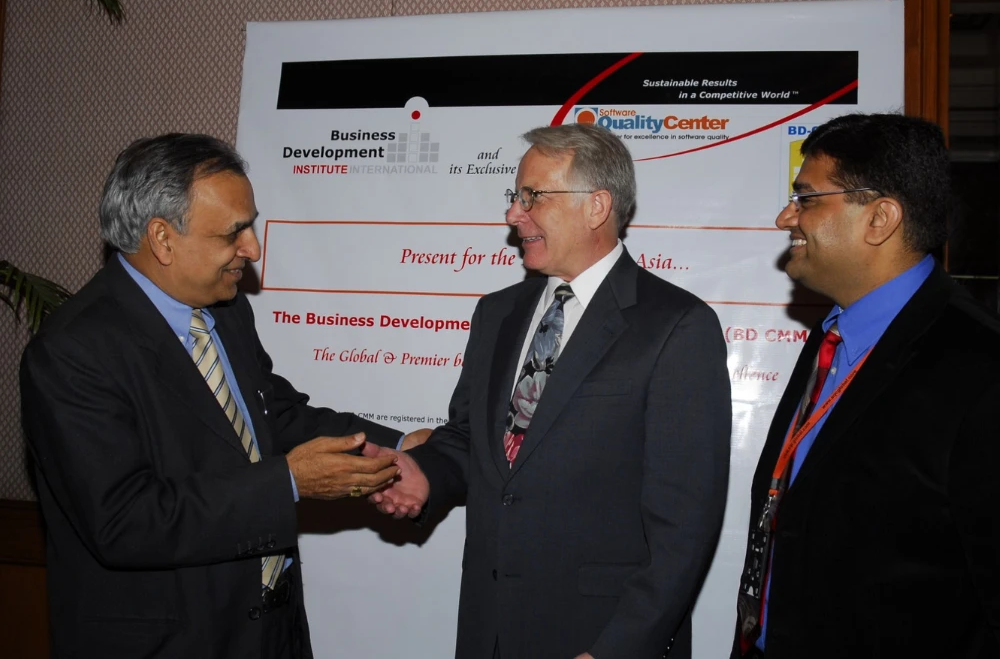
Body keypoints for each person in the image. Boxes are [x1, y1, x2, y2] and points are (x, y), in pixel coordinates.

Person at [20, 133, 425, 659]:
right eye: (234, 231)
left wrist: (399, 444)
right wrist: (288, 483)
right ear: (162, 238)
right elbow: (125, 522)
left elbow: (272, 415)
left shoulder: (226, 311)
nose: (253, 248)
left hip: (269, 632)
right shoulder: (73, 352)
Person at [367, 123, 732, 659]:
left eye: (532, 196)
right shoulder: (497, 313)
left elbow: (684, 528)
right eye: (515, 196)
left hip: (596, 637)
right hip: (490, 631)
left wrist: (615, 651)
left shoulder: (676, 326)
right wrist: (428, 474)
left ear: (596, 206)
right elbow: (473, 440)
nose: (513, 214)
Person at [732, 113, 1000, 659]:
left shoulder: (980, 368)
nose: (786, 217)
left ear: (880, 218)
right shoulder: (832, 336)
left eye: (807, 199)